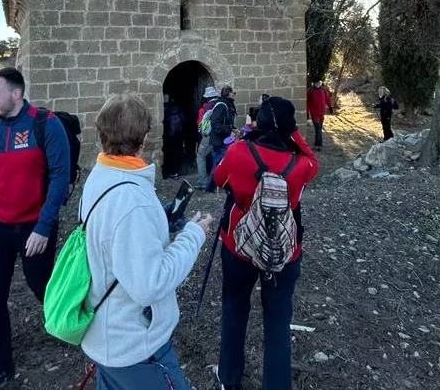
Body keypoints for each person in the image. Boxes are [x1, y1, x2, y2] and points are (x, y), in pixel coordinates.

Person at [80, 94, 214, 389]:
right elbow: (149, 285)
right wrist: (193, 236)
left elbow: (114, 239)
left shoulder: (101, 176)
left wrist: (159, 222)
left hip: (110, 336)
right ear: (144, 138)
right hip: (136, 346)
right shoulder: (132, 201)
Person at [0, 67, 70, 390]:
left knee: (43, 286)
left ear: (16, 93)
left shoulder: (45, 124)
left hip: (35, 226)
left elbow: (61, 177)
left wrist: (44, 226)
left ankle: (70, 323)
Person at [212, 96, 318, 390]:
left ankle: (230, 379)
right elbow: (313, 159)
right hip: (284, 252)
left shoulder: (238, 152)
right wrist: (292, 133)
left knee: (234, 309)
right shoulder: (300, 164)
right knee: (278, 321)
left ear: (259, 123)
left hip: (239, 247)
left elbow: (218, 178)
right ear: (289, 126)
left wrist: (249, 133)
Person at [205, 86, 237, 193]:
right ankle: (210, 186)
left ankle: (218, 184)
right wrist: (229, 130)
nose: (235, 94)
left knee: (222, 163)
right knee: (218, 163)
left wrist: (234, 129)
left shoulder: (227, 104)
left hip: (224, 139)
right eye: (233, 92)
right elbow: (216, 124)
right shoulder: (221, 106)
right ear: (228, 94)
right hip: (221, 141)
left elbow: (226, 122)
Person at [195, 86, 219, 188]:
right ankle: (218, 179)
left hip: (208, 136)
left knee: (200, 156)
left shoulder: (204, 108)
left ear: (207, 97)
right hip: (220, 135)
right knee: (217, 155)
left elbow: (200, 124)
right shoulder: (220, 105)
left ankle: (202, 181)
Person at [163, 95, 185, 179]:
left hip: (169, 135)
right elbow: (184, 120)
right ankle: (176, 171)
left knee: (169, 153)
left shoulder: (166, 110)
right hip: (178, 134)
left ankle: (170, 171)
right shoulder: (179, 110)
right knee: (177, 152)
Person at [306, 80, 332, 151]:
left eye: (319, 82)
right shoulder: (310, 91)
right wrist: (307, 113)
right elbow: (307, 102)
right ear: (314, 83)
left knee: (319, 128)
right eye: (316, 83)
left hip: (322, 113)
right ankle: (318, 145)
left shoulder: (323, 89)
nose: (318, 84)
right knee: (318, 128)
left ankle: (317, 143)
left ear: (320, 82)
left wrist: (330, 107)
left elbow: (327, 98)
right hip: (314, 113)